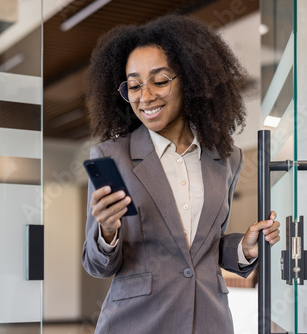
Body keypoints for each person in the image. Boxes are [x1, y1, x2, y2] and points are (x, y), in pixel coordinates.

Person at [81, 14, 281, 334]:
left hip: (209, 320)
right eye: (133, 85)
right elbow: (97, 265)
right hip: (137, 322)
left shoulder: (227, 158)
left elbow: (201, 248)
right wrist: (106, 230)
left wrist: (243, 248)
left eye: (159, 81)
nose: (145, 97)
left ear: (189, 80)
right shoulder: (112, 156)